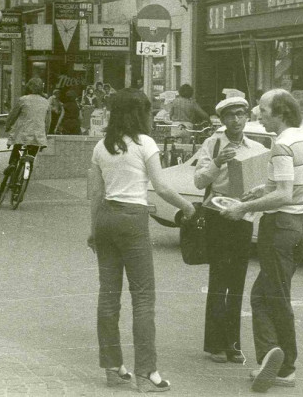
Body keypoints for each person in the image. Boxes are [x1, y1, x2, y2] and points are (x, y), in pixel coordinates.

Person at [88, 88, 196, 393]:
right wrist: (187, 206)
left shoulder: (100, 147)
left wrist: (93, 229)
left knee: (108, 296)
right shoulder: (144, 144)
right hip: (133, 220)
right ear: (139, 113)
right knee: (143, 298)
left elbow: (95, 194)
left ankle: (112, 368)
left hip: (105, 218)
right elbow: (161, 188)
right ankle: (146, 373)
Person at [220, 89, 303, 393]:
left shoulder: (282, 146)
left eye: (263, 110)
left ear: (280, 113)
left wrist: (243, 207)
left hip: (279, 226)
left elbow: (283, 194)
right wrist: (260, 191)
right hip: (299, 225)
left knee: (275, 297)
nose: (257, 114)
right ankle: (270, 359)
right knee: (264, 295)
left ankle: (285, 366)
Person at [194, 96, 261, 365]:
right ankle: (214, 345)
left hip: (242, 215)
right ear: (222, 120)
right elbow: (199, 181)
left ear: (247, 117)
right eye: (231, 115)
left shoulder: (255, 146)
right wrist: (218, 162)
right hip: (218, 214)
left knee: (237, 281)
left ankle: (233, 345)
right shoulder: (212, 143)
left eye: (241, 114)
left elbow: (258, 183)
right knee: (219, 279)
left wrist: (250, 209)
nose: (236, 119)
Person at [4, 77, 51, 175]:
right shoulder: (46, 103)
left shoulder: (23, 100)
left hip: (23, 134)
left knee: (17, 147)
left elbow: (13, 116)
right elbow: (47, 123)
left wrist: (7, 126)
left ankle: (12, 163)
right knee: (32, 153)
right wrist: (44, 136)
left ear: (29, 87)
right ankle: (28, 168)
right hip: (38, 135)